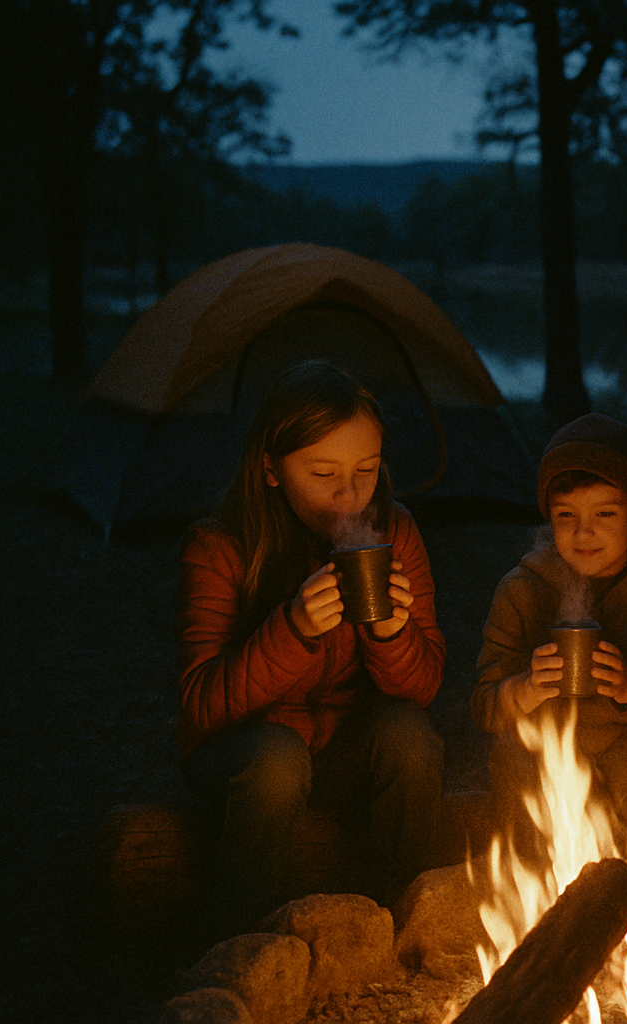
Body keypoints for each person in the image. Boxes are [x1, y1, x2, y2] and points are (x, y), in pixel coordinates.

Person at [178, 360, 446, 929]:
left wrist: (391, 633)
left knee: (409, 736)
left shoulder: (394, 532)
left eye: (367, 470)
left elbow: (423, 688)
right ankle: (245, 942)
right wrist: (293, 629)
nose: (350, 495)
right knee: (277, 760)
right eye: (323, 474)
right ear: (271, 470)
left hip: (345, 751)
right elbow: (200, 704)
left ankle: (415, 923)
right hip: (247, 764)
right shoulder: (219, 547)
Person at [471, 413, 627, 849]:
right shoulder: (521, 590)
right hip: (546, 756)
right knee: (516, 755)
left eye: (605, 513)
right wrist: (526, 688)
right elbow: (484, 707)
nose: (583, 532)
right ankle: (538, 892)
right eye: (565, 515)